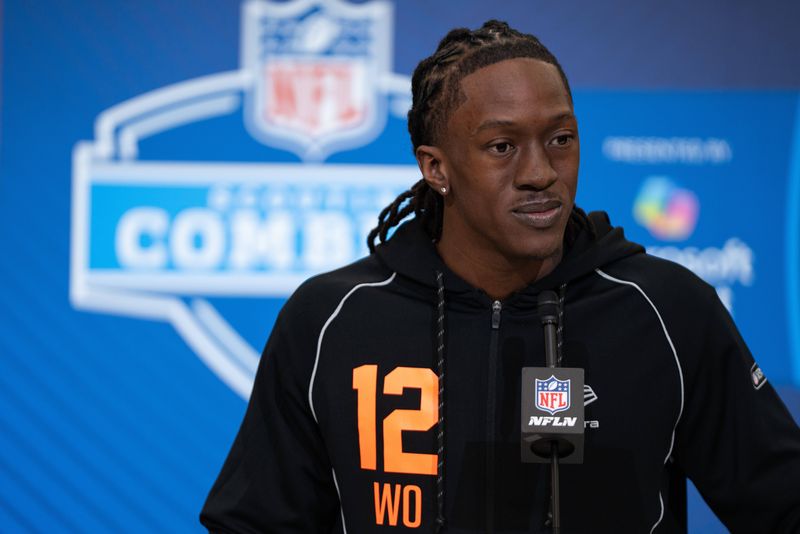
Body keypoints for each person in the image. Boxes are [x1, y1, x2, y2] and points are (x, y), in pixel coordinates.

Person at [200, 20, 800, 533]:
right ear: (436, 168)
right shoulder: (332, 320)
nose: (541, 172)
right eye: (502, 146)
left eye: (560, 139)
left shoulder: (667, 310)